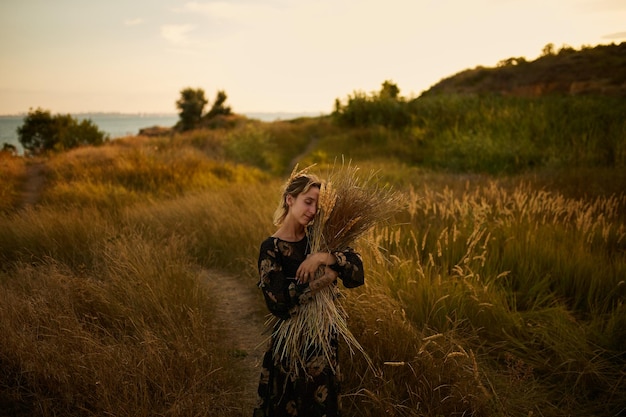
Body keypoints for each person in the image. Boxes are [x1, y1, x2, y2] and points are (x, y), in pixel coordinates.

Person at [254, 171, 365, 417]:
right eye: (308, 201)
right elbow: (279, 302)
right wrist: (323, 279)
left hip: (323, 343)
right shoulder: (270, 248)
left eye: (317, 204)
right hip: (290, 349)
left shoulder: (321, 238)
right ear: (289, 199)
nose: (313, 210)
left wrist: (323, 257)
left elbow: (357, 274)